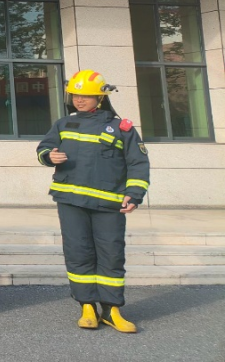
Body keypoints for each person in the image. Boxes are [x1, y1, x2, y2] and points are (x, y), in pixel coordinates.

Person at [36, 70, 150, 333]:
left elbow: (138, 162)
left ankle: (112, 310)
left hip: (108, 205)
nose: (79, 100)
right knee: (78, 253)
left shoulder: (121, 128)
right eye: (75, 95)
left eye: (86, 95)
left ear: (100, 97)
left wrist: (134, 193)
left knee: (111, 255)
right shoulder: (63, 124)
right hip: (71, 201)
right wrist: (48, 156)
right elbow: (44, 148)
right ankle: (87, 306)